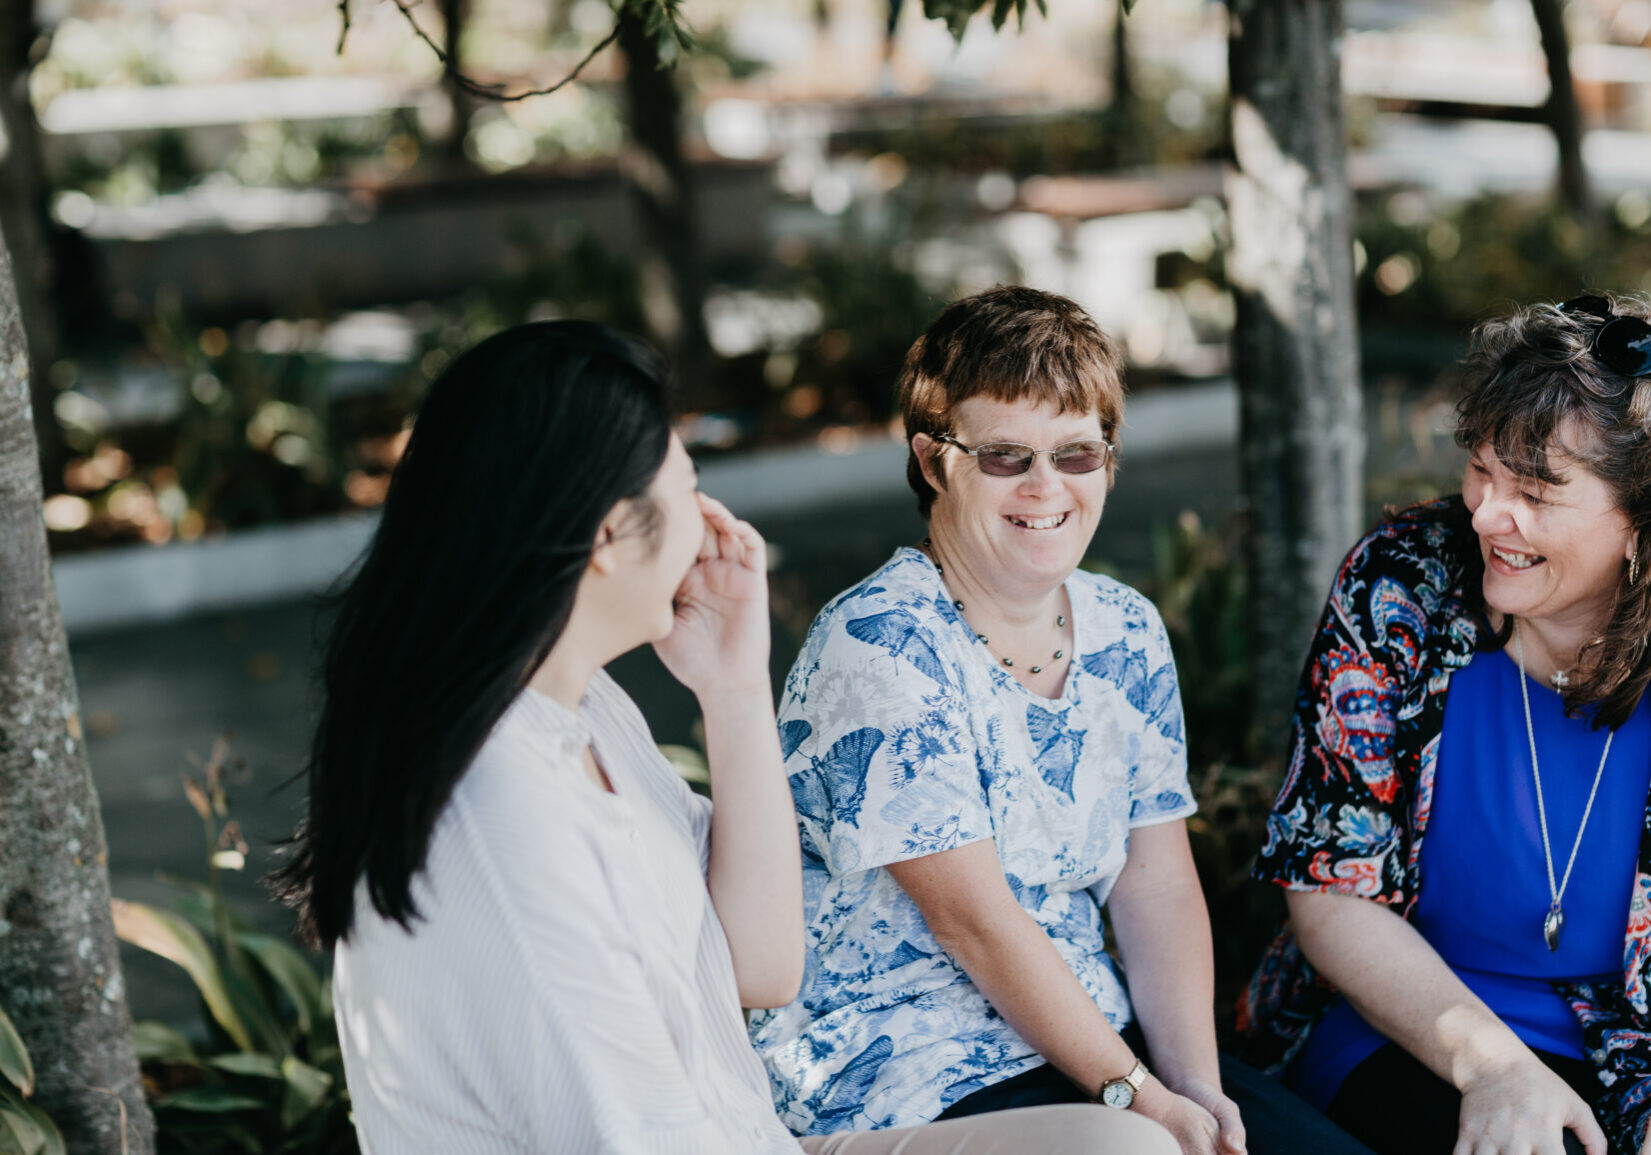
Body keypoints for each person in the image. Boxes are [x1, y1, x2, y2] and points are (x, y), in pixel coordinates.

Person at [270, 319, 1178, 1155]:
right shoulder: (499, 814)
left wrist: (735, 688)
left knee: (1127, 1148)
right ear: (603, 538)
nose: (716, 526)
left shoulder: (583, 717)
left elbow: (762, 964)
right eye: (688, 490)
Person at [752, 286, 1370, 1155]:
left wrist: (1193, 1082)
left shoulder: (1124, 626)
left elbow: (1153, 880)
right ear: (935, 464)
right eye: (1006, 456)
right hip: (909, 1065)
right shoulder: (881, 641)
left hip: (1086, 1040)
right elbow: (972, 920)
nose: (1048, 487)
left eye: (1077, 453)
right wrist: (1135, 1094)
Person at [1237, 294, 1651, 1155]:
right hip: (1408, 1024)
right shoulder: (1401, 586)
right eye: (1480, 470)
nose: (1486, 513)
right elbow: (1328, 889)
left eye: (1533, 491)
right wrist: (1492, 1066)